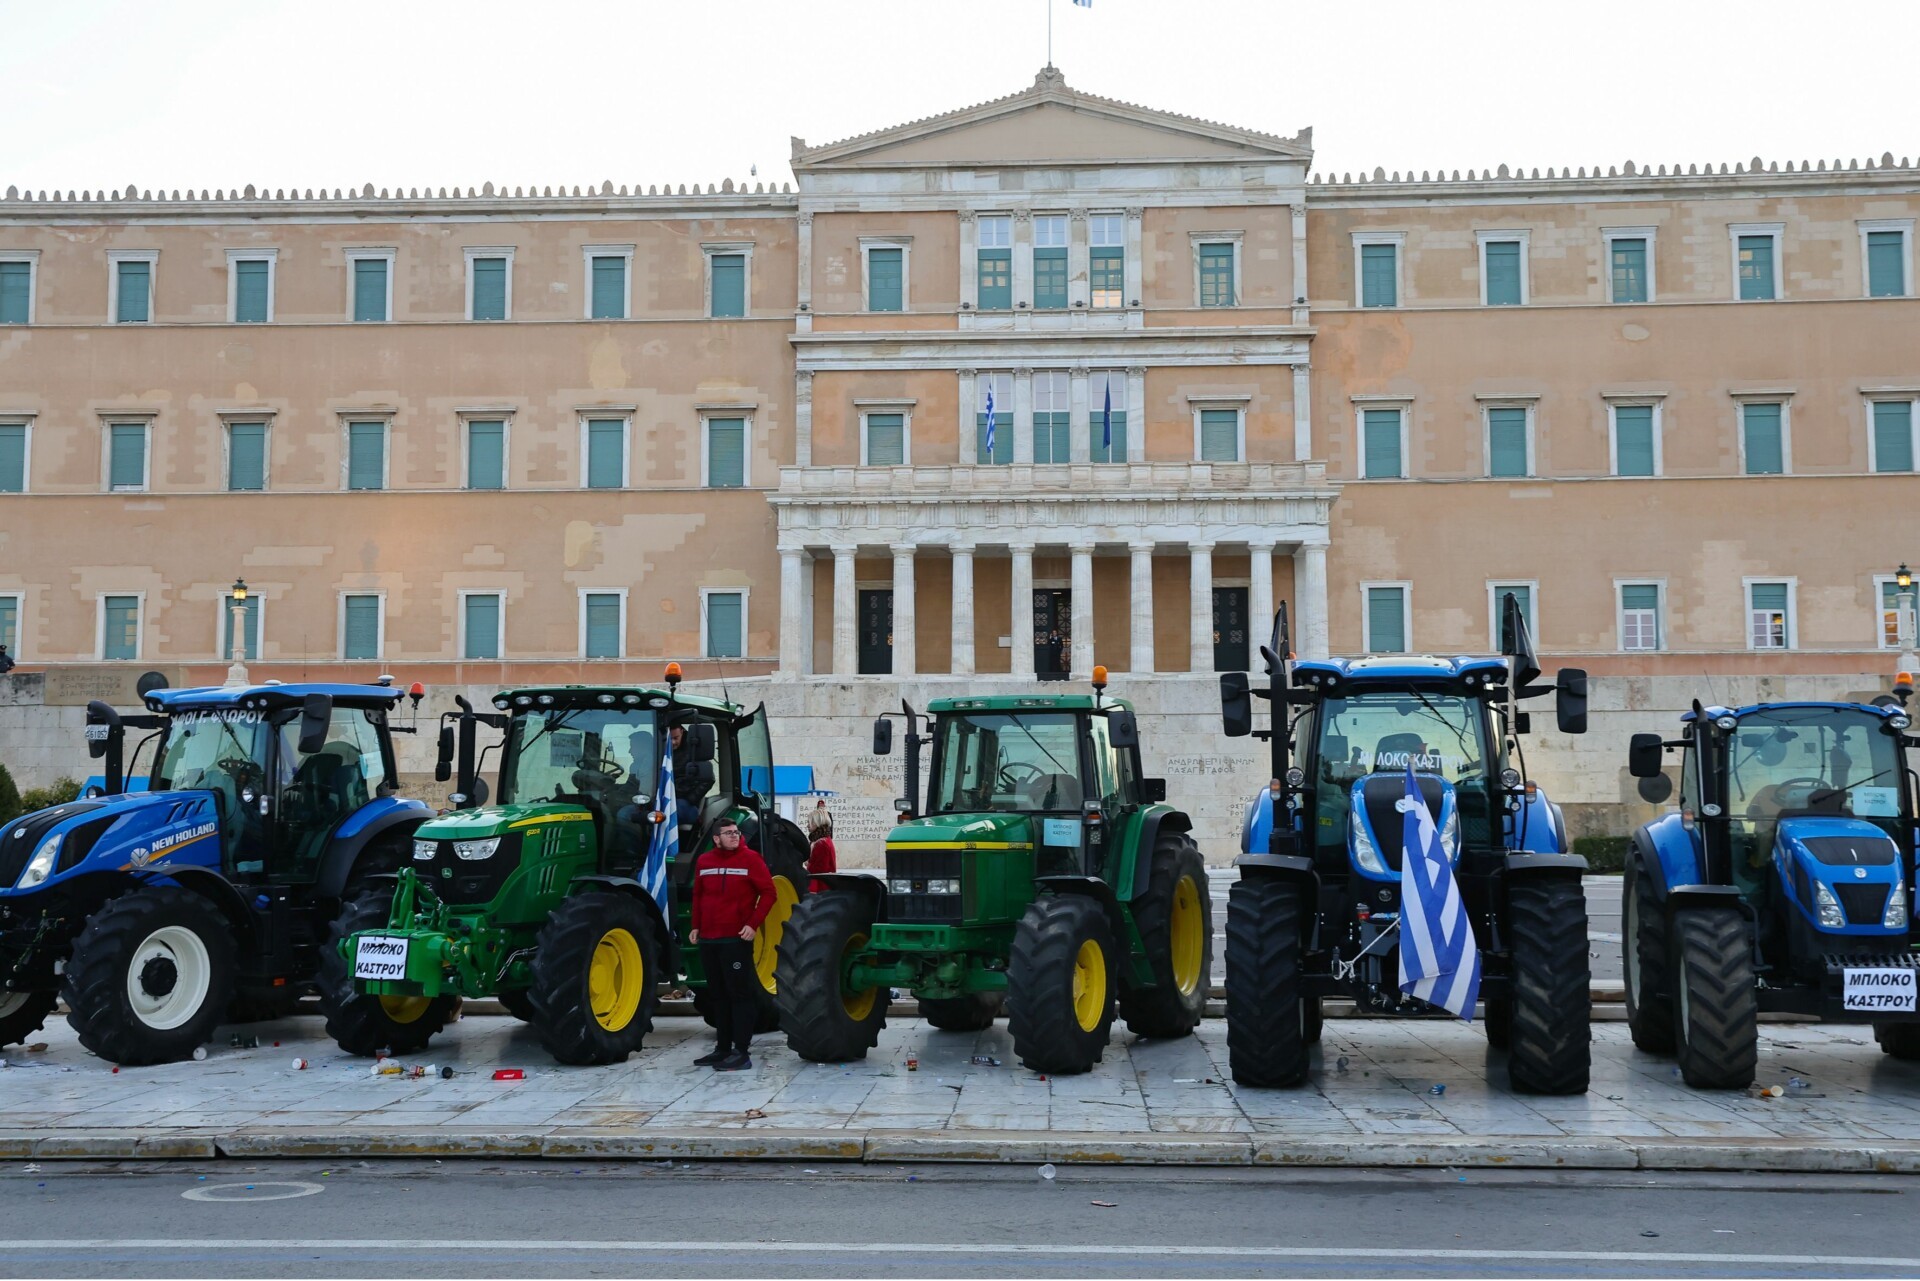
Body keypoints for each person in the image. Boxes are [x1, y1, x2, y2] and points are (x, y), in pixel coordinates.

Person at [688, 817, 773, 1071]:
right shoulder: (704, 862)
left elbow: (769, 893)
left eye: (736, 832)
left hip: (735, 940)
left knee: (740, 995)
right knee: (718, 995)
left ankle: (742, 1052)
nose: (735, 836)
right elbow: (698, 895)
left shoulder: (751, 860)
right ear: (716, 838)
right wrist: (695, 926)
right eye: (728, 833)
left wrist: (753, 924)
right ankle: (722, 1048)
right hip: (708, 939)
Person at [806, 801, 837, 894]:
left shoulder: (821, 844)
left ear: (816, 823)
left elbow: (818, 871)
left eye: (809, 823)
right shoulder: (824, 840)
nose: (807, 826)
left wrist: (808, 864)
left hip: (820, 889)